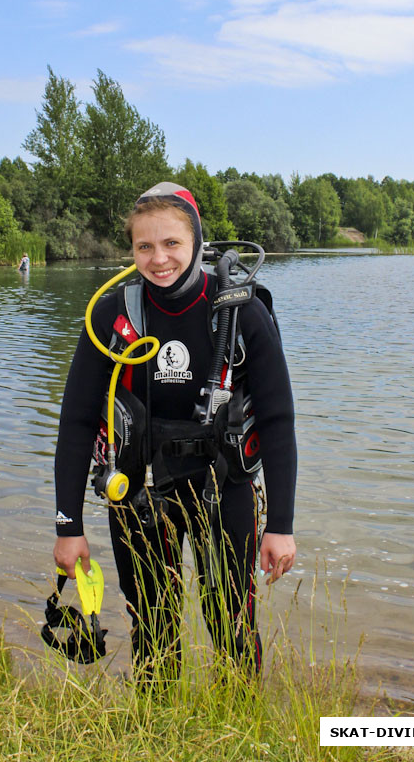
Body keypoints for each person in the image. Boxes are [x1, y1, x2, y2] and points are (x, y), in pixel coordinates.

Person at [53, 182, 296, 675]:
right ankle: (157, 731)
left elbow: (278, 419)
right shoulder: (110, 314)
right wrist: (68, 526)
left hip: (223, 489)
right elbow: (76, 422)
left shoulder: (241, 312)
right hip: (138, 493)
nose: (158, 258)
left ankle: (240, 730)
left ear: (197, 242)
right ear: (132, 250)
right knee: (152, 628)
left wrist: (282, 526)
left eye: (172, 244)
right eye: (144, 246)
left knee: (232, 624)